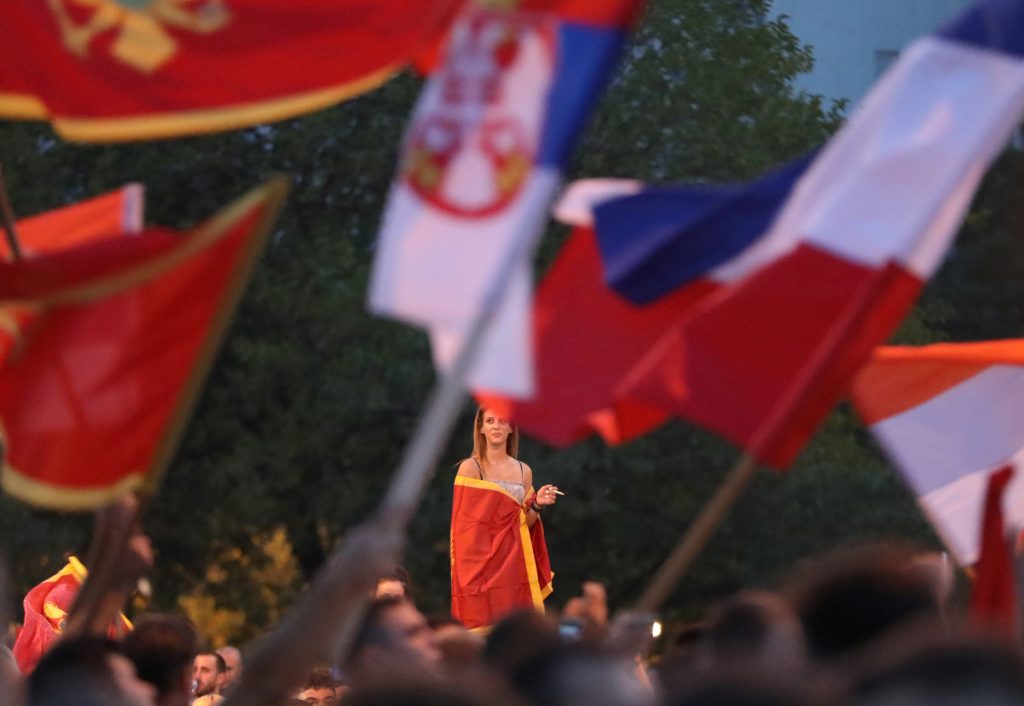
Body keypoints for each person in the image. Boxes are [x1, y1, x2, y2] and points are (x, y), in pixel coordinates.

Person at [450, 408, 558, 630]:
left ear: (511, 428)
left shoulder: (524, 471)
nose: (496, 426)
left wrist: (537, 504)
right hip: (481, 569)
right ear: (481, 428)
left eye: (502, 421)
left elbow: (523, 525)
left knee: (516, 630)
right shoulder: (470, 468)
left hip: (513, 566)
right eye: (490, 421)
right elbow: (464, 529)